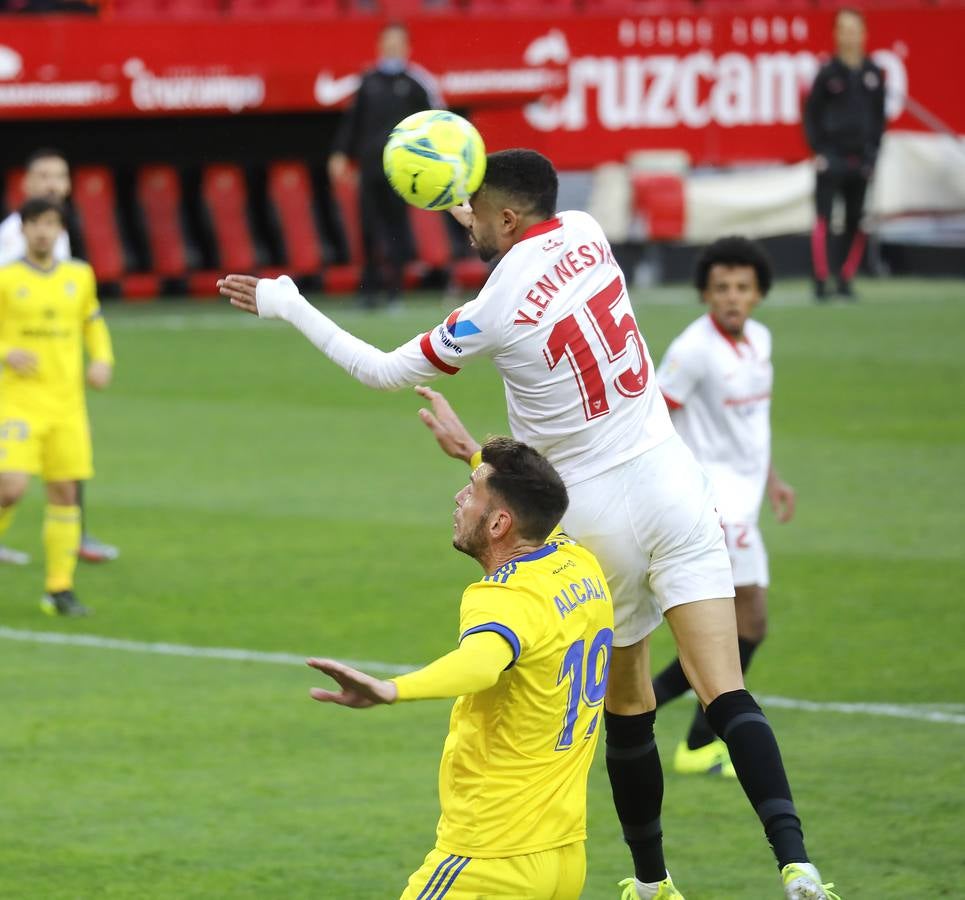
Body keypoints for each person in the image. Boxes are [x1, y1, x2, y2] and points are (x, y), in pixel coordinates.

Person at [219, 149, 837, 900]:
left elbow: (384, 370)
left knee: (629, 699)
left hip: (594, 514)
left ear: (504, 218)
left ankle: (651, 882)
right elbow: (513, 233)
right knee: (726, 692)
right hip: (674, 482)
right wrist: (463, 193)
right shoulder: (583, 229)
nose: (466, 223)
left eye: (473, 214)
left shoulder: (490, 308)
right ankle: (795, 863)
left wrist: (288, 303)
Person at [308, 436, 613, 899]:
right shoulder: (579, 563)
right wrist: (474, 454)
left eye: (471, 490)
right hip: (563, 858)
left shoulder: (503, 598)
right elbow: (537, 501)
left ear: (498, 524)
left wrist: (392, 690)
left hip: (488, 862)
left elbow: (481, 662)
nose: (458, 498)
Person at [650, 237, 796, 778]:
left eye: (742, 288)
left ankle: (676, 731)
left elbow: (749, 428)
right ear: (706, 295)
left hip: (746, 499)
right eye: (721, 289)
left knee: (743, 626)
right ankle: (685, 735)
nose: (732, 298)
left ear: (758, 293)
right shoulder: (693, 352)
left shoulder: (760, 339)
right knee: (743, 623)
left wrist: (773, 478)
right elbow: (654, 419)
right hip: (714, 508)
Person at [0, 147, 120, 564]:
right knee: (12, 479)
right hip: (13, 379)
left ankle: (72, 546)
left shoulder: (59, 233)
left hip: (53, 378)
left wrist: (97, 355)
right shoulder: (12, 240)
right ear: (26, 185)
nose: (53, 184)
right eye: (44, 176)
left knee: (63, 466)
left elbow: (79, 306)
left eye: (60, 177)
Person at [327, 21, 442, 309]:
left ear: (407, 47)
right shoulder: (368, 82)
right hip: (370, 168)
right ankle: (368, 290)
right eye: (388, 42)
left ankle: (395, 290)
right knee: (367, 229)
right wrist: (341, 153)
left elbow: (437, 124)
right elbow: (353, 123)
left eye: (398, 42)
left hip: (402, 173)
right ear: (380, 45)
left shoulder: (417, 83)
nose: (392, 47)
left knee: (397, 229)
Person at [803, 7, 885, 302]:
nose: (849, 36)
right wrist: (819, 151)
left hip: (860, 159)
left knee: (856, 220)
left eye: (854, 29)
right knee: (824, 219)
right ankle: (821, 280)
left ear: (863, 34)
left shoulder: (873, 73)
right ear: (836, 34)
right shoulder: (827, 73)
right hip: (832, 157)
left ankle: (846, 279)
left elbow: (878, 119)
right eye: (843, 29)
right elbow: (811, 115)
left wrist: (873, 156)